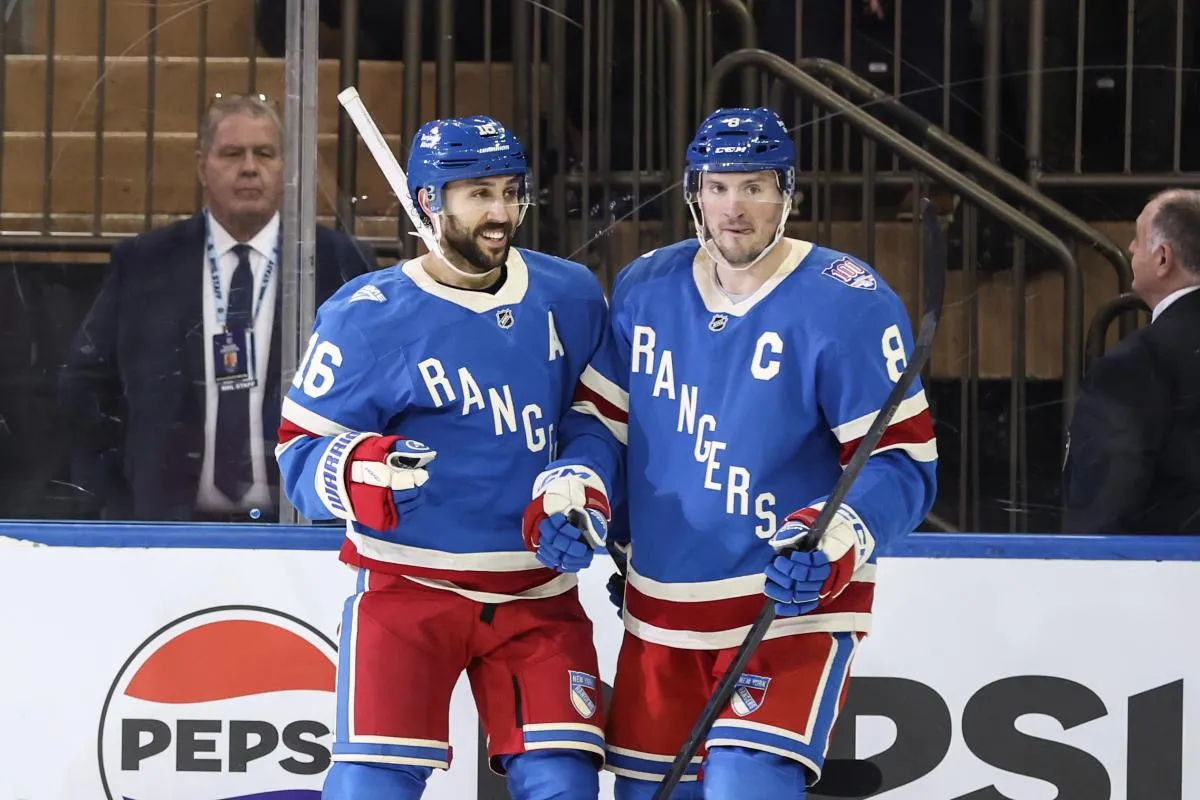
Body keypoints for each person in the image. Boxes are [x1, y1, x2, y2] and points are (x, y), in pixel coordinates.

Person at [547, 107, 938, 799]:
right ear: (694, 191)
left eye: (755, 186)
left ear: (789, 193)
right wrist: (585, 489)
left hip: (788, 609)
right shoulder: (646, 286)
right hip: (662, 612)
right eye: (720, 186)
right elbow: (601, 421)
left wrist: (835, 538)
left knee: (743, 784)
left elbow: (904, 462)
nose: (735, 208)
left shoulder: (848, 301)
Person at [275, 115, 621, 800]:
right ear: (428, 201)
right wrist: (358, 468)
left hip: (536, 594)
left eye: (510, 192)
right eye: (478, 194)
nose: (501, 213)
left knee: (563, 783)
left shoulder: (571, 294)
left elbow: (597, 421)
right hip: (407, 592)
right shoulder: (365, 315)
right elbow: (298, 455)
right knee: (370, 787)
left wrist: (580, 484)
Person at [59, 93, 372, 523]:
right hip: (167, 528)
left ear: (285, 167)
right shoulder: (146, 263)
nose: (249, 167)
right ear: (201, 165)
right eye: (232, 154)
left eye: (264, 153)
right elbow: (88, 384)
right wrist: (114, 500)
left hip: (303, 530)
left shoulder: (337, 261)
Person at [1063, 189, 1200, 534]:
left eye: (1138, 239)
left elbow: (1103, 512)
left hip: (1167, 581)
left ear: (1163, 259)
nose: (1130, 249)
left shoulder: (1135, 366)